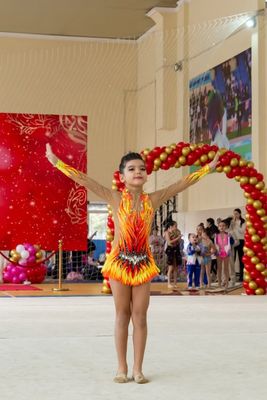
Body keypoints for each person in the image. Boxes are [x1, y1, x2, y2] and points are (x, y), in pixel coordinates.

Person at [46, 143, 219, 384]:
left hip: (143, 264)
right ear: (122, 175)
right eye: (131, 168)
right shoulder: (114, 197)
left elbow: (181, 184)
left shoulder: (153, 198)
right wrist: (58, 163)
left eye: (141, 168)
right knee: (122, 314)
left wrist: (207, 169)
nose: (137, 171)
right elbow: (85, 180)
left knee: (140, 316)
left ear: (146, 174)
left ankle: (138, 369)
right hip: (119, 263)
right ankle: (121, 367)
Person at [164, 221, 182, 289]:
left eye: (177, 226)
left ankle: (175, 283)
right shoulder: (167, 232)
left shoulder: (177, 232)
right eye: (175, 226)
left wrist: (179, 238)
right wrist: (177, 238)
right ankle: (169, 283)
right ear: (171, 226)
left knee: (176, 267)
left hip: (176, 249)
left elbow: (179, 242)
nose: (176, 227)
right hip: (170, 250)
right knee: (170, 267)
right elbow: (169, 242)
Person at [214, 221, 231, 290]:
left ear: (225, 227)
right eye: (220, 226)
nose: (222, 227)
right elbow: (215, 244)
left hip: (226, 253)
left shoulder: (228, 235)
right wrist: (217, 251)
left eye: (223, 225)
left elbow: (229, 244)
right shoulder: (216, 236)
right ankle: (219, 284)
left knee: (226, 268)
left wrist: (228, 251)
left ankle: (226, 283)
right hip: (219, 253)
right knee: (219, 268)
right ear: (218, 227)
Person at [230, 208, 246, 282]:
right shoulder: (232, 222)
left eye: (236, 213)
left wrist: (236, 224)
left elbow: (242, 231)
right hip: (233, 241)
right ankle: (232, 276)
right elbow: (230, 231)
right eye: (234, 213)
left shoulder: (243, 221)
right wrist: (232, 225)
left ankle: (241, 277)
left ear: (240, 214)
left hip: (241, 241)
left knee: (241, 259)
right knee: (232, 259)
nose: (235, 215)